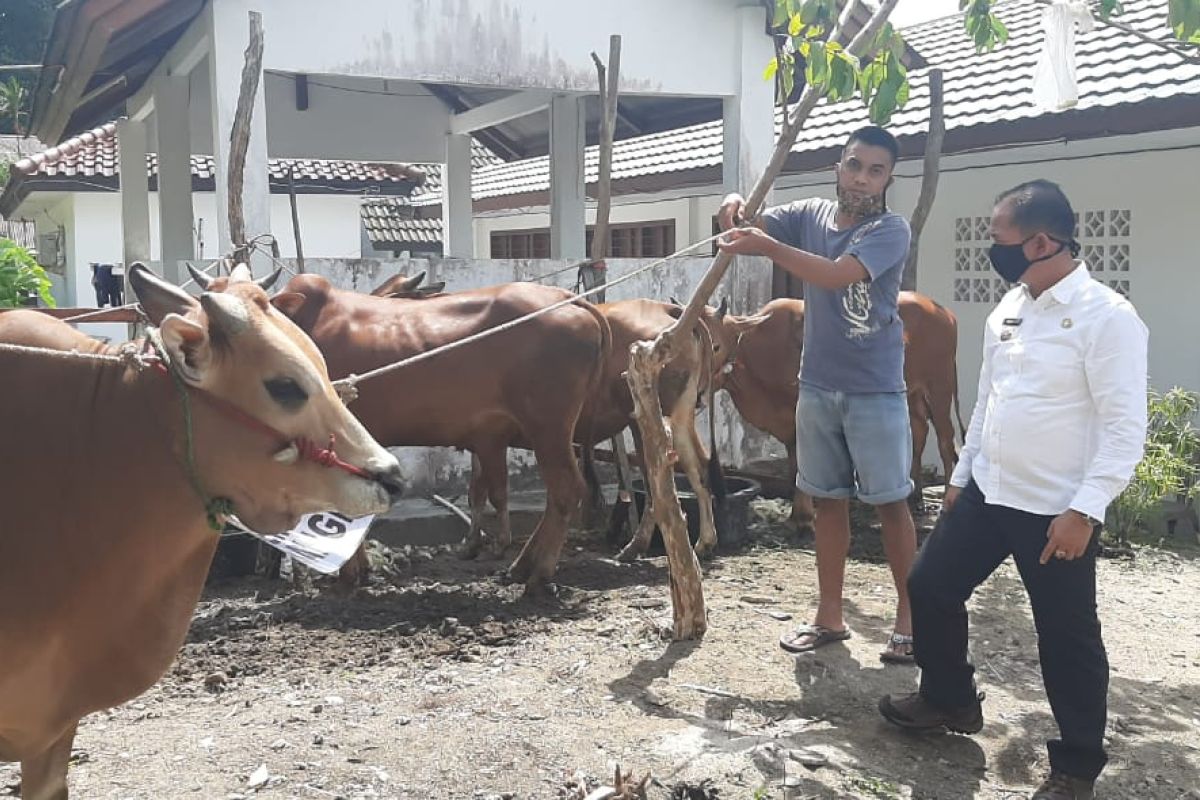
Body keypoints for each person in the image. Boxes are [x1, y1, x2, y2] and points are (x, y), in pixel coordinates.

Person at [878, 179, 1148, 800]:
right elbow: (991, 401)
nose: (989, 248)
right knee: (930, 585)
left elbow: (1123, 428)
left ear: (1042, 241)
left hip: (1058, 509)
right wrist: (961, 476)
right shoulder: (1010, 307)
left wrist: (1086, 509)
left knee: (1066, 634)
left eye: (998, 238)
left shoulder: (1108, 319)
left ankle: (1077, 766)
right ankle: (949, 700)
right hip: (987, 495)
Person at [717, 125, 917, 664]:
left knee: (891, 505)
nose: (862, 178)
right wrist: (734, 206)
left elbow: (832, 276)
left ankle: (909, 620)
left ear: (888, 178)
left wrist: (763, 246)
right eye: (854, 164)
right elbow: (751, 219)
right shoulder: (809, 216)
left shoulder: (890, 230)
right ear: (838, 166)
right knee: (827, 502)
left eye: (875, 170)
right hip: (818, 385)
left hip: (874, 389)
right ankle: (829, 616)